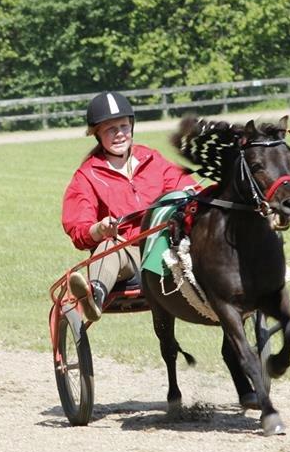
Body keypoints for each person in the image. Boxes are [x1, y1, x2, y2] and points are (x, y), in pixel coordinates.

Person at [61, 91, 198, 321]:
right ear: (97, 135)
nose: (119, 134)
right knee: (107, 247)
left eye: (123, 126)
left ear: (132, 126)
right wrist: (100, 229)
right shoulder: (87, 176)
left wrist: (195, 194)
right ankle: (94, 296)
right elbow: (79, 228)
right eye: (110, 129)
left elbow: (185, 186)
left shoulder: (151, 160)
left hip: (166, 247)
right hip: (128, 254)